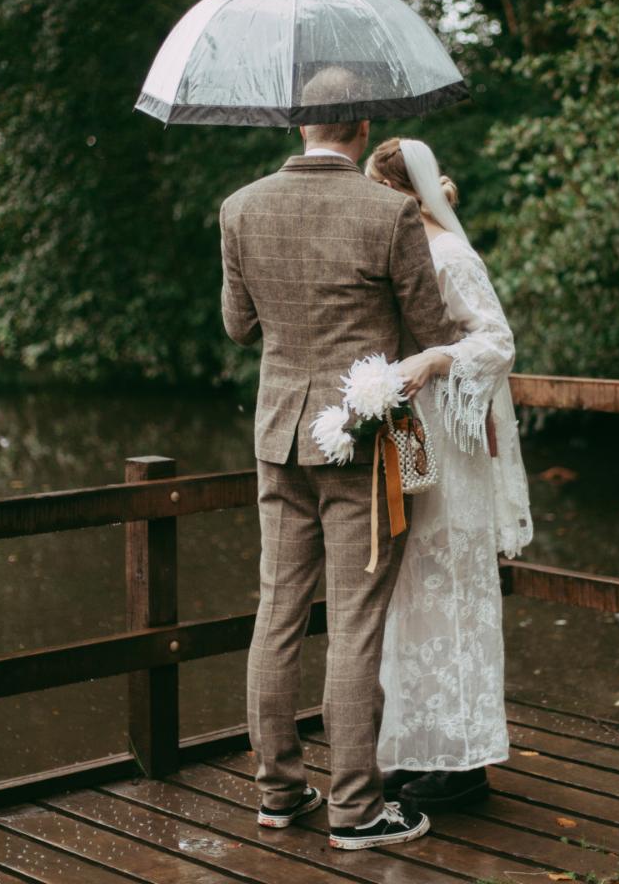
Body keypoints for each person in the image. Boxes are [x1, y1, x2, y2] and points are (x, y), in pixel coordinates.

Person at [219, 69, 461, 851]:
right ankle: (357, 809)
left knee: (277, 610)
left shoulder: (241, 208)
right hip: (363, 440)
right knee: (356, 624)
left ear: (300, 127)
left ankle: (279, 793)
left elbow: (238, 327)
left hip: (278, 439)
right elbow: (429, 329)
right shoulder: (389, 211)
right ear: (359, 126)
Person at [365, 136, 534, 813]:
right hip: (410, 439)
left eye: (381, 193)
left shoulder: (451, 254)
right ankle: (417, 749)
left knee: (455, 591)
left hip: (453, 442)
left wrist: (436, 360)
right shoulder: (399, 250)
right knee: (409, 596)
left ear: (408, 193)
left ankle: (465, 762)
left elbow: (497, 339)